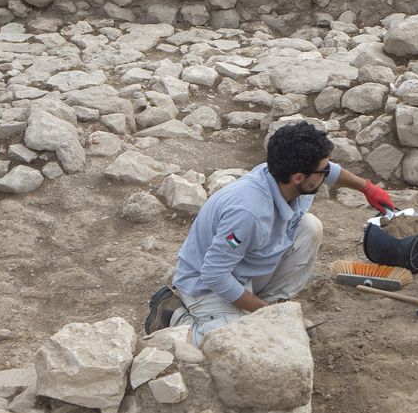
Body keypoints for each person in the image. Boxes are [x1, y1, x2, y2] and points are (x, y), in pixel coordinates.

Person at [144, 122, 395, 343]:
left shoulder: (283, 173)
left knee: (310, 227)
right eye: (323, 171)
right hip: (206, 285)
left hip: (246, 267)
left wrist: (367, 188)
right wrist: (267, 315)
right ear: (299, 177)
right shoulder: (249, 212)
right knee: (233, 345)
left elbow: (331, 171)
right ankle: (174, 316)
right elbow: (215, 275)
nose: (327, 174)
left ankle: (264, 305)